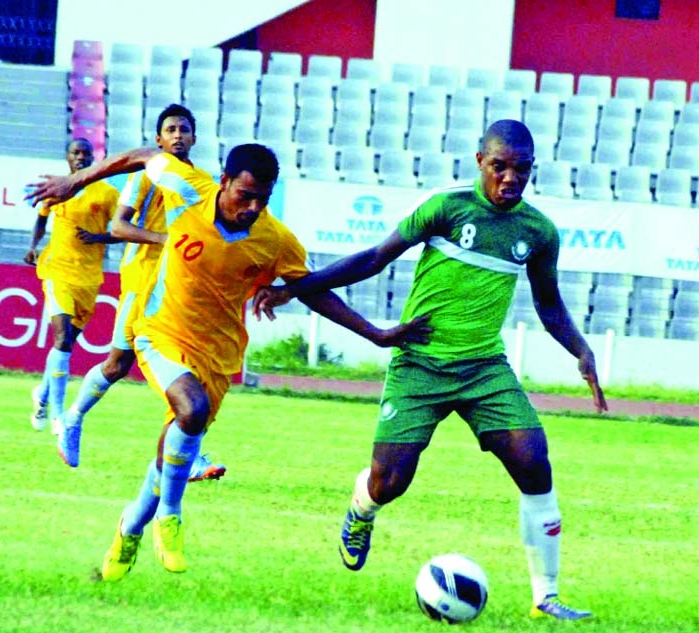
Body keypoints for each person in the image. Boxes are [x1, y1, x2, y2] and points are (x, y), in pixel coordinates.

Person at [26, 142, 431, 582]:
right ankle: (170, 516)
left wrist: (376, 334)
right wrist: (74, 182)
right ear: (223, 183)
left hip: (217, 356)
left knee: (171, 452)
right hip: (159, 330)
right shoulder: (187, 189)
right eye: (245, 195)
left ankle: (129, 528)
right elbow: (143, 155)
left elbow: (312, 289)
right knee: (191, 409)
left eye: (263, 199)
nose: (253, 207)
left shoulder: (274, 240)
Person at [254, 119, 608, 620]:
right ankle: (360, 511)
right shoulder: (446, 207)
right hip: (419, 363)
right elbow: (375, 258)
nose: (510, 179)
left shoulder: (538, 232)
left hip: (484, 368)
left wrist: (581, 349)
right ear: (480, 162)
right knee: (389, 482)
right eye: (500, 167)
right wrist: (296, 288)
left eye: (521, 170)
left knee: (534, 461)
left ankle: (546, 596)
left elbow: (548, 306)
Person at [55, 103, 224, 482]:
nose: (178, 135)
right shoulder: (149, 174)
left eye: (184, 129)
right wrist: (167, 240)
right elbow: (118, 226)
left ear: (195, 137)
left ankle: (189, 449)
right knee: (120, 365)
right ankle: (73, 417)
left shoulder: (199, 180)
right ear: (158, 139)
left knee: (176, 368)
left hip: (178, 286)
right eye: (171, 130)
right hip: (143, 281)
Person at [25, 138, 121, 434]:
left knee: (67, 344)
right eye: (75, 153)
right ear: (67, 157)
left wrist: (98, 238)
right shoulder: (56, 189)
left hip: (89, 278)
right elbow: (40, 220)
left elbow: (121, 229)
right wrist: (33, 245)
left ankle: (42, 394)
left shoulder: (106, 193)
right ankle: (57, 415)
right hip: (57, 270)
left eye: (85, 154)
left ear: (94, 158)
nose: (80, 157)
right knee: (62, 338)